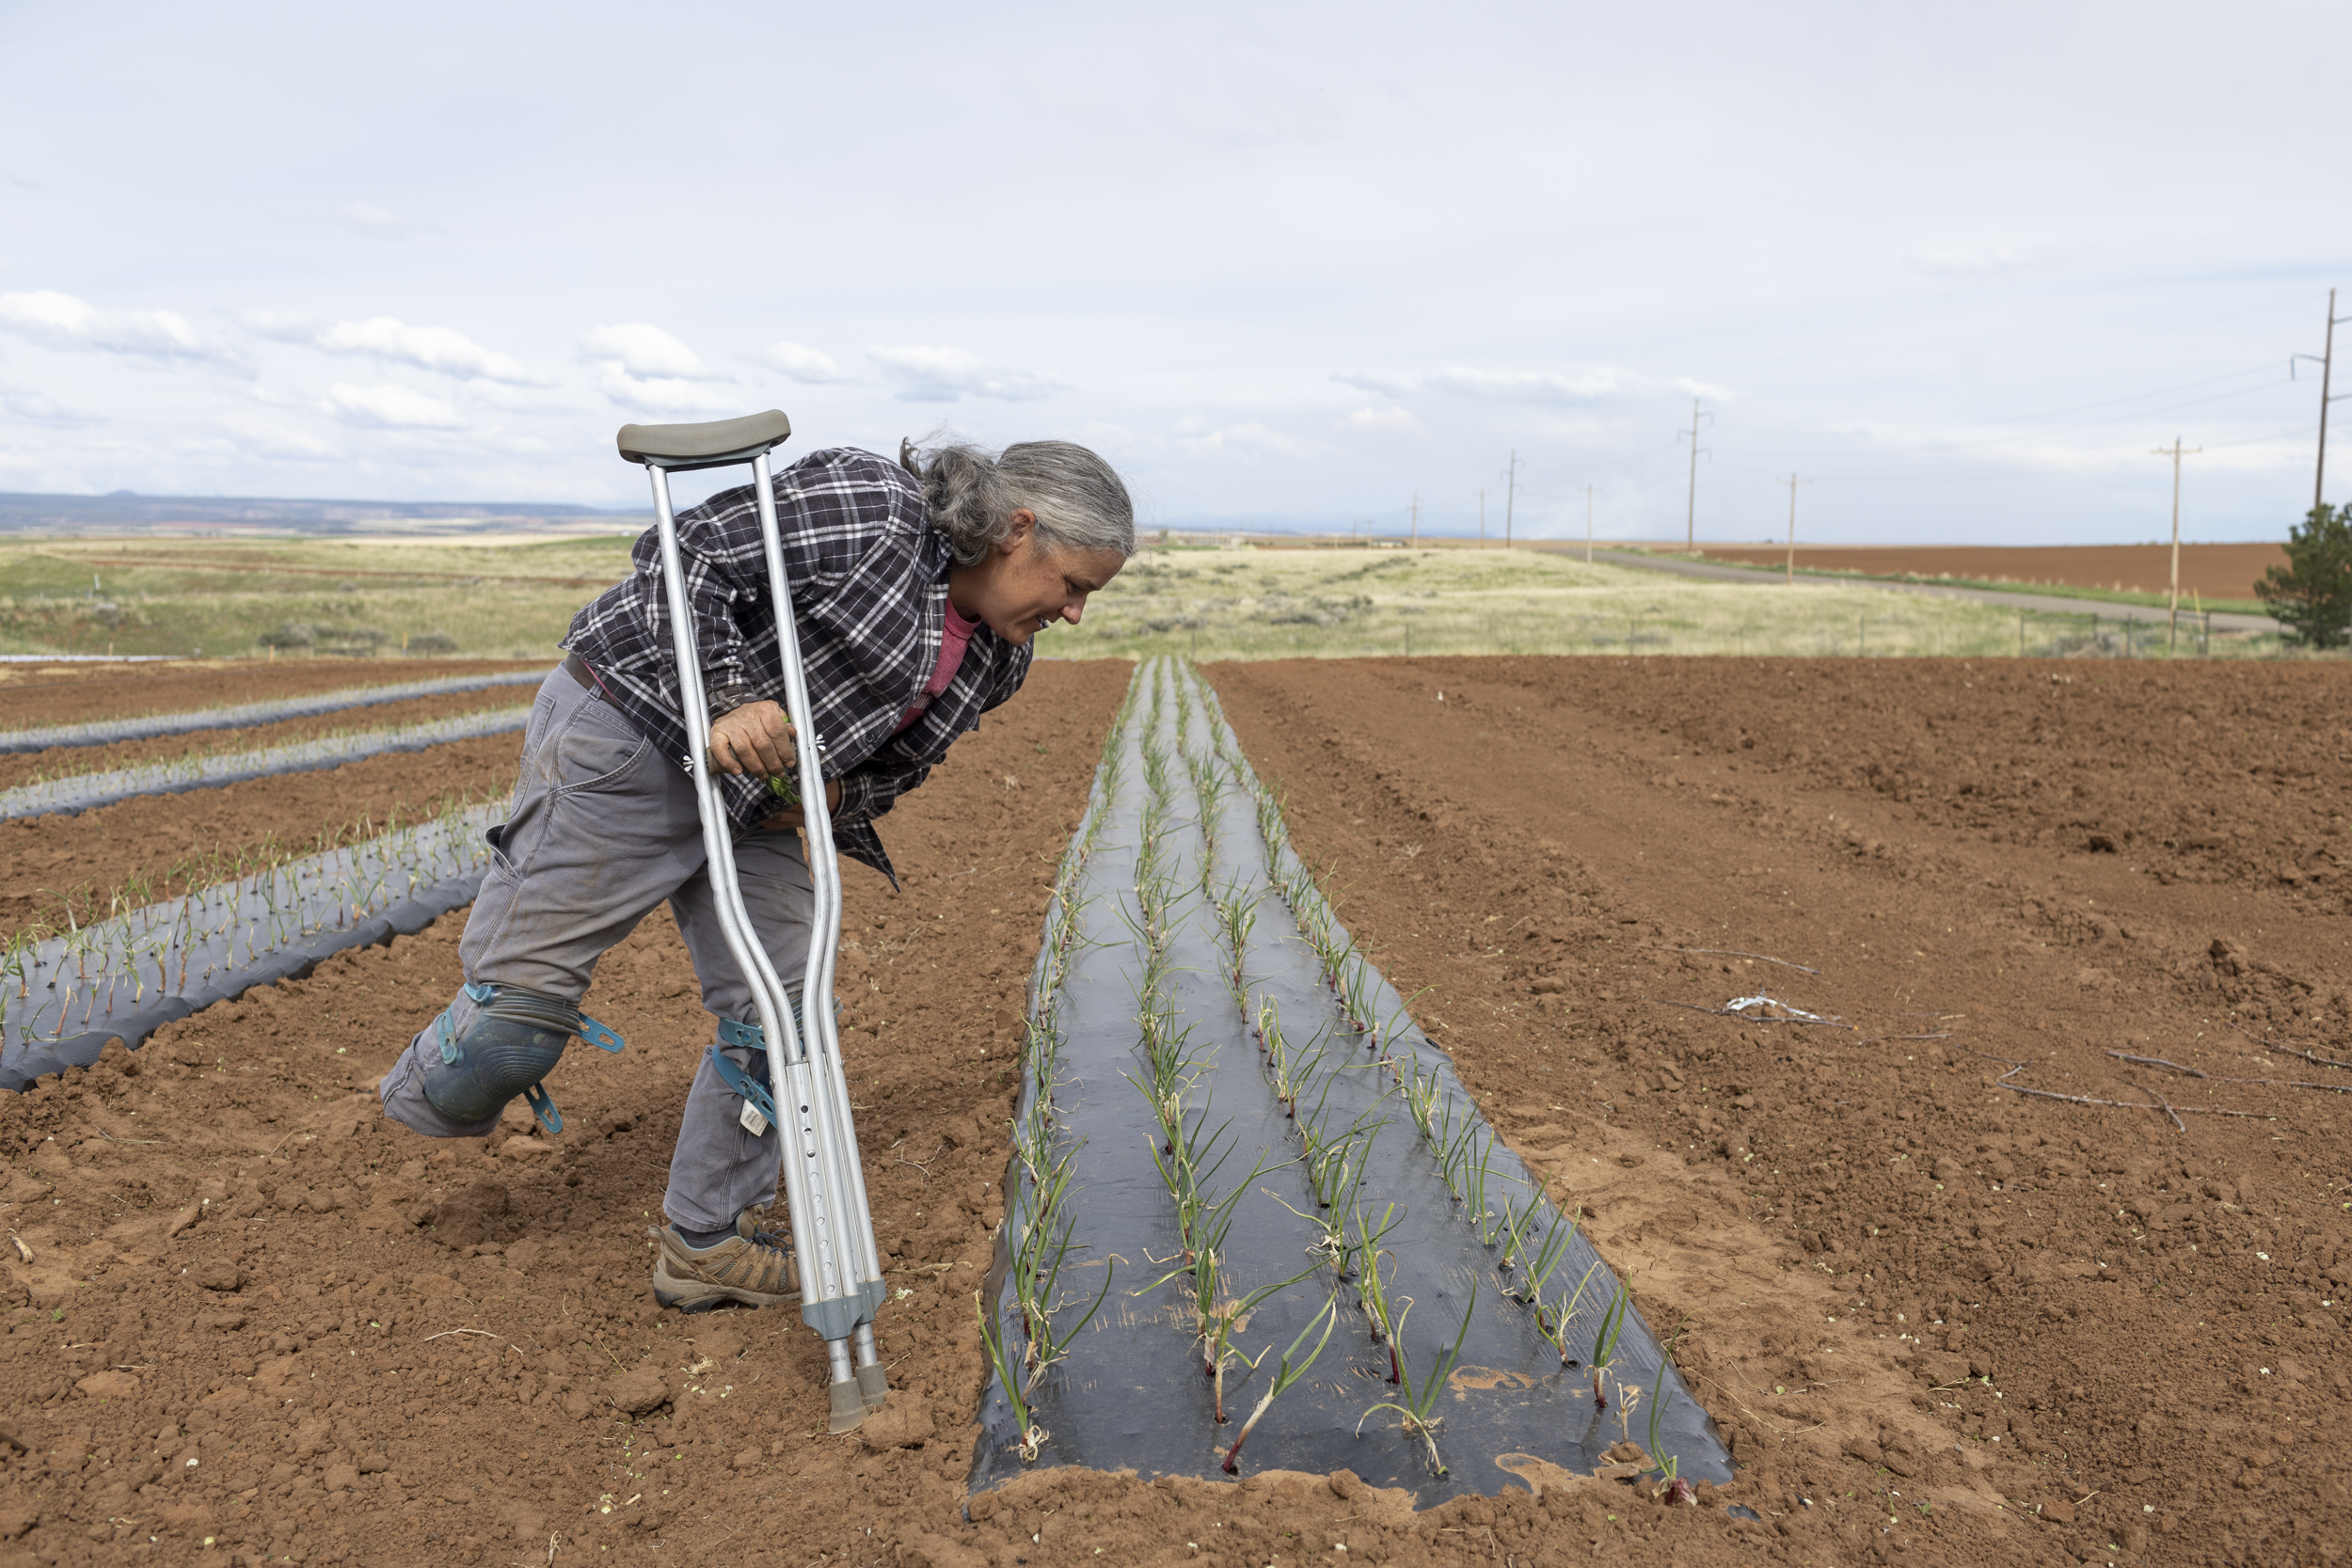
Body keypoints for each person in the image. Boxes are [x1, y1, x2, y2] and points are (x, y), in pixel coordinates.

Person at [376, 436, 1134, 1310]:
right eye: (1073, 585)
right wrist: (732, 696)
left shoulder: (1000, 658)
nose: (1075, 612)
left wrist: (835, 789)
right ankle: (421, 1089)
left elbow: (902, 765)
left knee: (787, 1011)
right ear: (1019, 529)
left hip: (752, 803)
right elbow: (683, 555)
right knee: (507, 1038)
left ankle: (702, 1241)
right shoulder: (878, 510)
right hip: (634, 733)